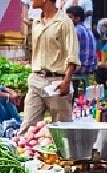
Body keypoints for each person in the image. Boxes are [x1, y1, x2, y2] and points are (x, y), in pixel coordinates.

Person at [20, 0, 79, 133]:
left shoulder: (64, 22)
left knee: (62, 130)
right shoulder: (36, 22)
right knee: (28, 126)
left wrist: (66, 81)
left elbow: (72, 55)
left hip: (56, 81)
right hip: (36, 79)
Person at [68, 6, 98, 80]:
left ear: (77, 18)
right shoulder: (88, 30)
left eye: (70, 17)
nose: (67, 20)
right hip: (90, 67)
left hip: (80, 67)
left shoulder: (76, 30)